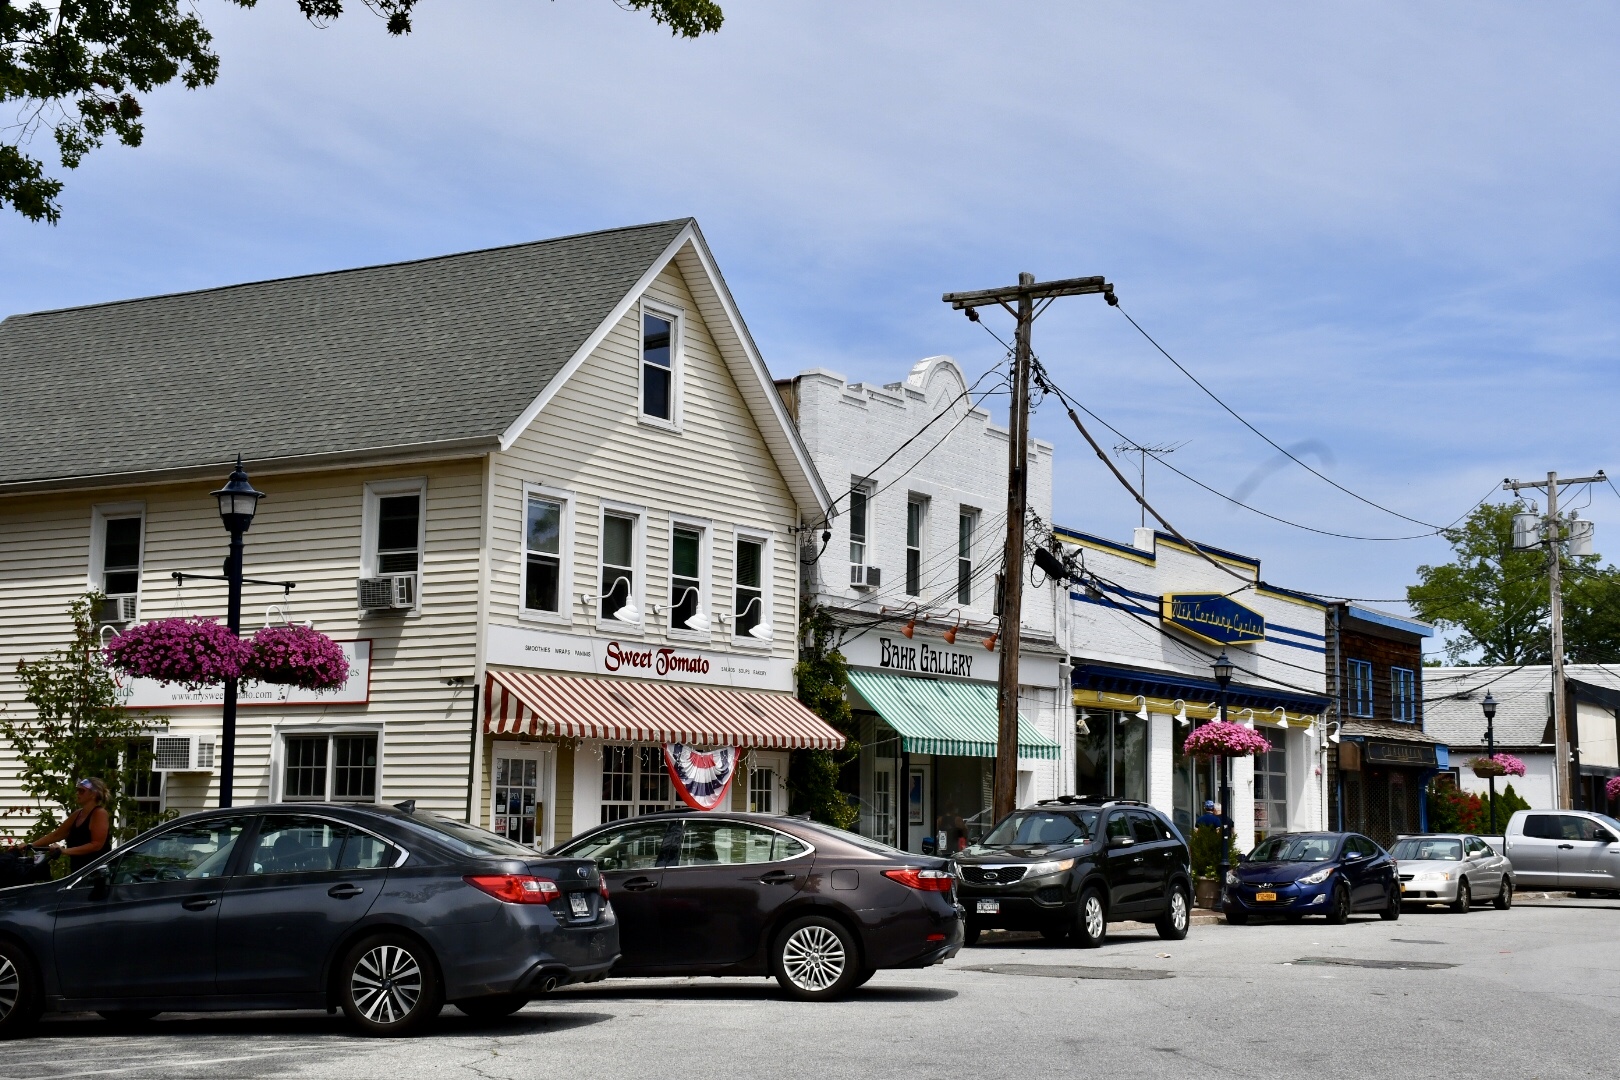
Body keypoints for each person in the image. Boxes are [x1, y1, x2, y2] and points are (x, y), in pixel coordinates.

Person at [26, 778, 112, 872]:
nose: (77, 793)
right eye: (77, 790)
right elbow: (57, 835)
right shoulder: (78, 814)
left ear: (93, 794)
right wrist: (30, 845)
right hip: (78, 872)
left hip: (97, 874)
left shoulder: (99, 813)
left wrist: (64, 851)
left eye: (81, 791)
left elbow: (96, 845)